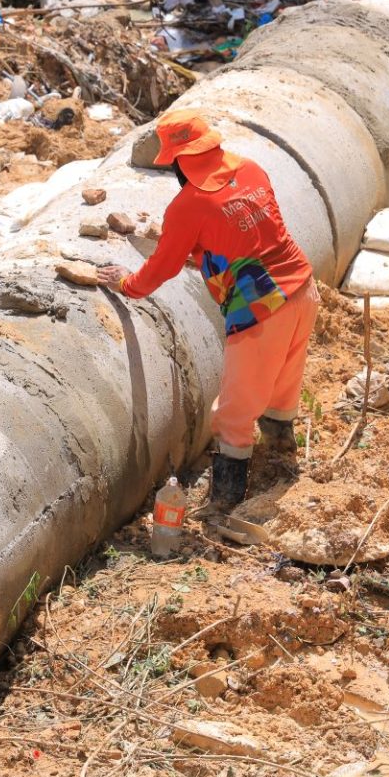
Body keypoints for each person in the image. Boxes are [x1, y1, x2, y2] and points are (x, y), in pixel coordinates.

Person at [98, 108, 318, 512]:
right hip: (303, 288)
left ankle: (224, 503)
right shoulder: (251, 169)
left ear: (177, 160)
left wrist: (127, 284)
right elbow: (248, 231)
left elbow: (159, 268)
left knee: (234, 413)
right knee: (282, 386)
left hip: (262, 309)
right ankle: (281, 464)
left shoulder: (189, 205)